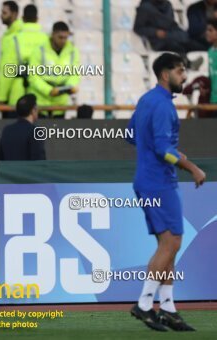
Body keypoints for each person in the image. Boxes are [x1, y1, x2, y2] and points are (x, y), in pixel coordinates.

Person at [127, 53, 206, 331]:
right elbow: (162, 150)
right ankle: (145, 304)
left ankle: (168, 307)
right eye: (180, 71)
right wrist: (191, 166)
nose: (184, 77)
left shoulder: (147, 100)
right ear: (165, 74)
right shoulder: (163, 106)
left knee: (168, 243)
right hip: (160, 182)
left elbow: (131, 135)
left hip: (146, 180)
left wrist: (167, 151)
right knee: (171, 243)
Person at [0, 4, 47, 113]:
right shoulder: (46, 39)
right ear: (37, 18)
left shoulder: (14, 38)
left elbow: (7, 71)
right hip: (41, 97)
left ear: (22, 18)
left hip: (17, 96)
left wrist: (2, 97)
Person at [28, 21, 80, 118]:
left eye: (66, 37)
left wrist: (71, 86)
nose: (63, 41)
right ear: (52, 34)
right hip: (40, 104)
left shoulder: (73, 51)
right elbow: (33, 77)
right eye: (60, 37)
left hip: (60, 104)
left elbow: (75, 74)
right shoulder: (39, 51)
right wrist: (49, 90)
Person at [133, 0, 207, 54]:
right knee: (178, 48)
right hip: (159, 41)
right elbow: (138, 28)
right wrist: (155, 32)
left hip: (172, 34)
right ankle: (187, 65)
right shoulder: (145, 8)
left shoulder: (168, 4)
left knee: (197, 45)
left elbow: (171, 23)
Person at [0, 94, 46, 160]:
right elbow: (39, 161)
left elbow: (0, 157)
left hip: (7, 170)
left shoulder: (7, 130)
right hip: (27, 170)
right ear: (33, 110)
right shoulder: (36, 131)